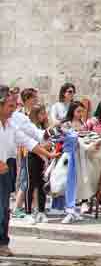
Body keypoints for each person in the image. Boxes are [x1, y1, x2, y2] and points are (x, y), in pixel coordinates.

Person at [1, 85, 56, 256]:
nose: (14, 110)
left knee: (3, 207)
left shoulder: (11, 124)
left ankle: (2, 242)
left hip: (6, 167)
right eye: (10, 106)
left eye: (15, 106)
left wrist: (49, 154)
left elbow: (28, 141)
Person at [10, 89, 42, 220]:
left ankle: (32, 207)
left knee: (31, 180)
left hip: (35, 149)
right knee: (25, 179)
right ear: (28, 98)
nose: (36, 99)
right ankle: (17, 207)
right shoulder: (20, 114)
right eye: (34, 97)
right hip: (25, 150)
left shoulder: (31, 113)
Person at [24, 105, 49, 224]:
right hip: (32, 157)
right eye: (42, 113)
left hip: (43, 158)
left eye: (45, 113)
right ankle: (28, 212)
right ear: (35, 114)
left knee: (42, 185)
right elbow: (31, 144)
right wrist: (43, 147)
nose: (44, 116)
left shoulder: (43, 127)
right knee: (30, 184)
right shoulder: (30, 127)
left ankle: (41, 211)